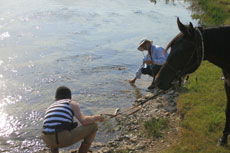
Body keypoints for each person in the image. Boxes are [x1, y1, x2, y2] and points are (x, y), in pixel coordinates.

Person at [41, 86, 104, 153]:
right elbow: (84, 121)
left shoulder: (50, 106)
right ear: (69, 97)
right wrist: (97, 117)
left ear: (56, 98)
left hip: (47, 139)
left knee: (53, 128)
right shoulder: (71, 103)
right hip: (61, 138)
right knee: (93, 126)